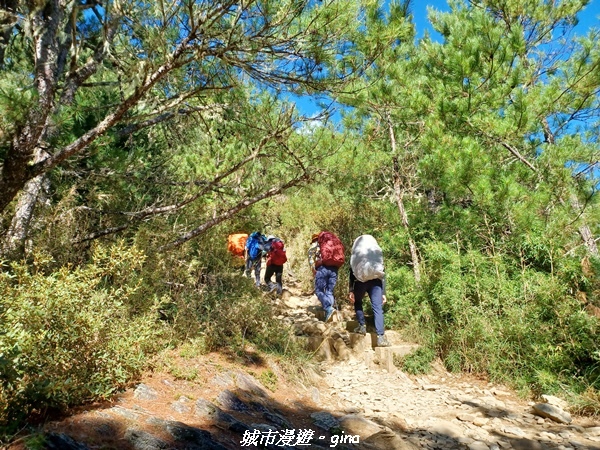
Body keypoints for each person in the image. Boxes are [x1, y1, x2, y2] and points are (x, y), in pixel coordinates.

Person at [348, 234, 390, 347]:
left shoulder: (357, 254)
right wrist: (383, 293)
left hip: (360, 282)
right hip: (376, 282)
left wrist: (351, 290)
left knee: (357, 301)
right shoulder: (375, 255)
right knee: (377, 308)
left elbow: (351, 272)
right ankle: (380, 337)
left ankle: (362, 326)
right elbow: (382, 273)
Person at [308, 231, 345, 322]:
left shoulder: (316, 243)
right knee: (329, 291)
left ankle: (328, 308)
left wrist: (313, 268)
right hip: (334, 269)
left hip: (322, 268)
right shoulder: (332, 242)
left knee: (318, 290)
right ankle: (330, 313)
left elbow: (310, 256)